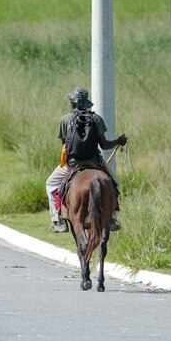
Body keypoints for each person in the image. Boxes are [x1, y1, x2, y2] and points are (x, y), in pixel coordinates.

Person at [46, 88, 128, 233]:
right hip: (95, 162)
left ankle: (58, 220)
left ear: (72, 103)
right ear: (86, 103)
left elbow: (64, 146)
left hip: (72, 164)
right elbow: (104, 145)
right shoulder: (96, 119)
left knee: (51, 185)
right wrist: (118, 141)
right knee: (114, 184)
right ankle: (112, 217)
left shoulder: (65, 119)